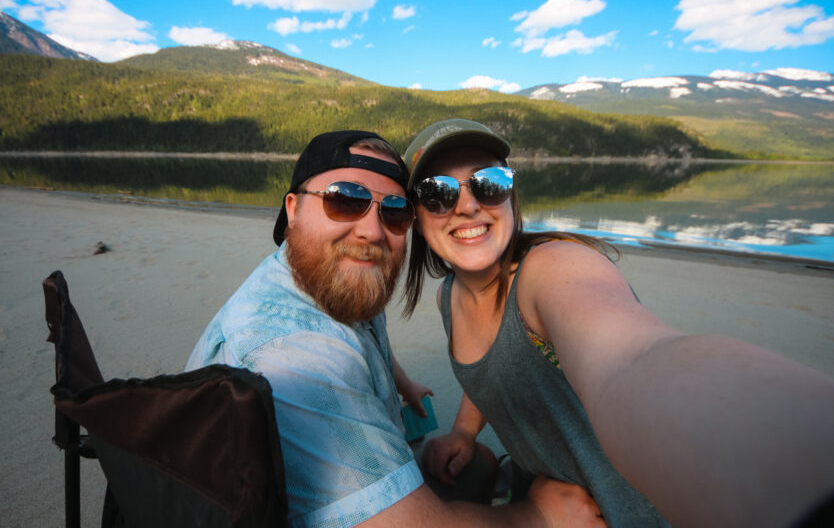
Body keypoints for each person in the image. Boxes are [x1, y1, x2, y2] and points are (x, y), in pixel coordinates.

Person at [402, 119, 834, 528]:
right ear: (417, 219)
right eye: (437, 192)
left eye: (488, 183)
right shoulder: (450, 295)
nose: (469, 205)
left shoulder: (552, 269)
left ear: (510, 195)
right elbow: (490, 371)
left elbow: (635, 358)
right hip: (547, 500)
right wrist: (463, 430)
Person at [185, 130, 605, 528]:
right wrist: (538, 517)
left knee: (475, 464)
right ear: (293, 209)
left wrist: (402, 383)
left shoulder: (323, 275)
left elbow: (361, 324)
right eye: (345, 200)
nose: (372, 231)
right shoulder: (291, 357)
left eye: (394, 211)